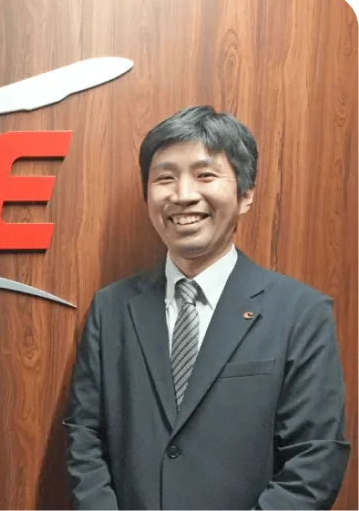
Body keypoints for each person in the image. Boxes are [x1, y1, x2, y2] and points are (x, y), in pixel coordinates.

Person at [63, 105, 350, 510]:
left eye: (205, 175)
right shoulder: (111, 309)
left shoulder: (301, 313)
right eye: (165, 177)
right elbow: (84, 436)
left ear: (245, 195)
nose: (183, 195)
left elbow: (314, 461)